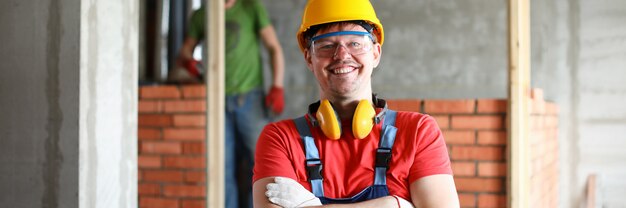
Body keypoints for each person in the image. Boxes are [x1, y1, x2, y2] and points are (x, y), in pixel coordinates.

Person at [252, 0, 459, 207]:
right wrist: (392, 205)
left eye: (355, 43)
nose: (341, 55)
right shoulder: (280, 139)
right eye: (326, 45)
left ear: (376, 53)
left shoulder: (418, 132)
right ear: (309, 59)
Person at [177, 0, 285, 207]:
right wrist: (188, 62)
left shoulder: (250, 8)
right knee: (221, 169)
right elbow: (185, 51)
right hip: (216, 101)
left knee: (261, 164)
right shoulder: (202, 15)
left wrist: (277, 86)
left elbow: (274, 48)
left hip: (249, 98)